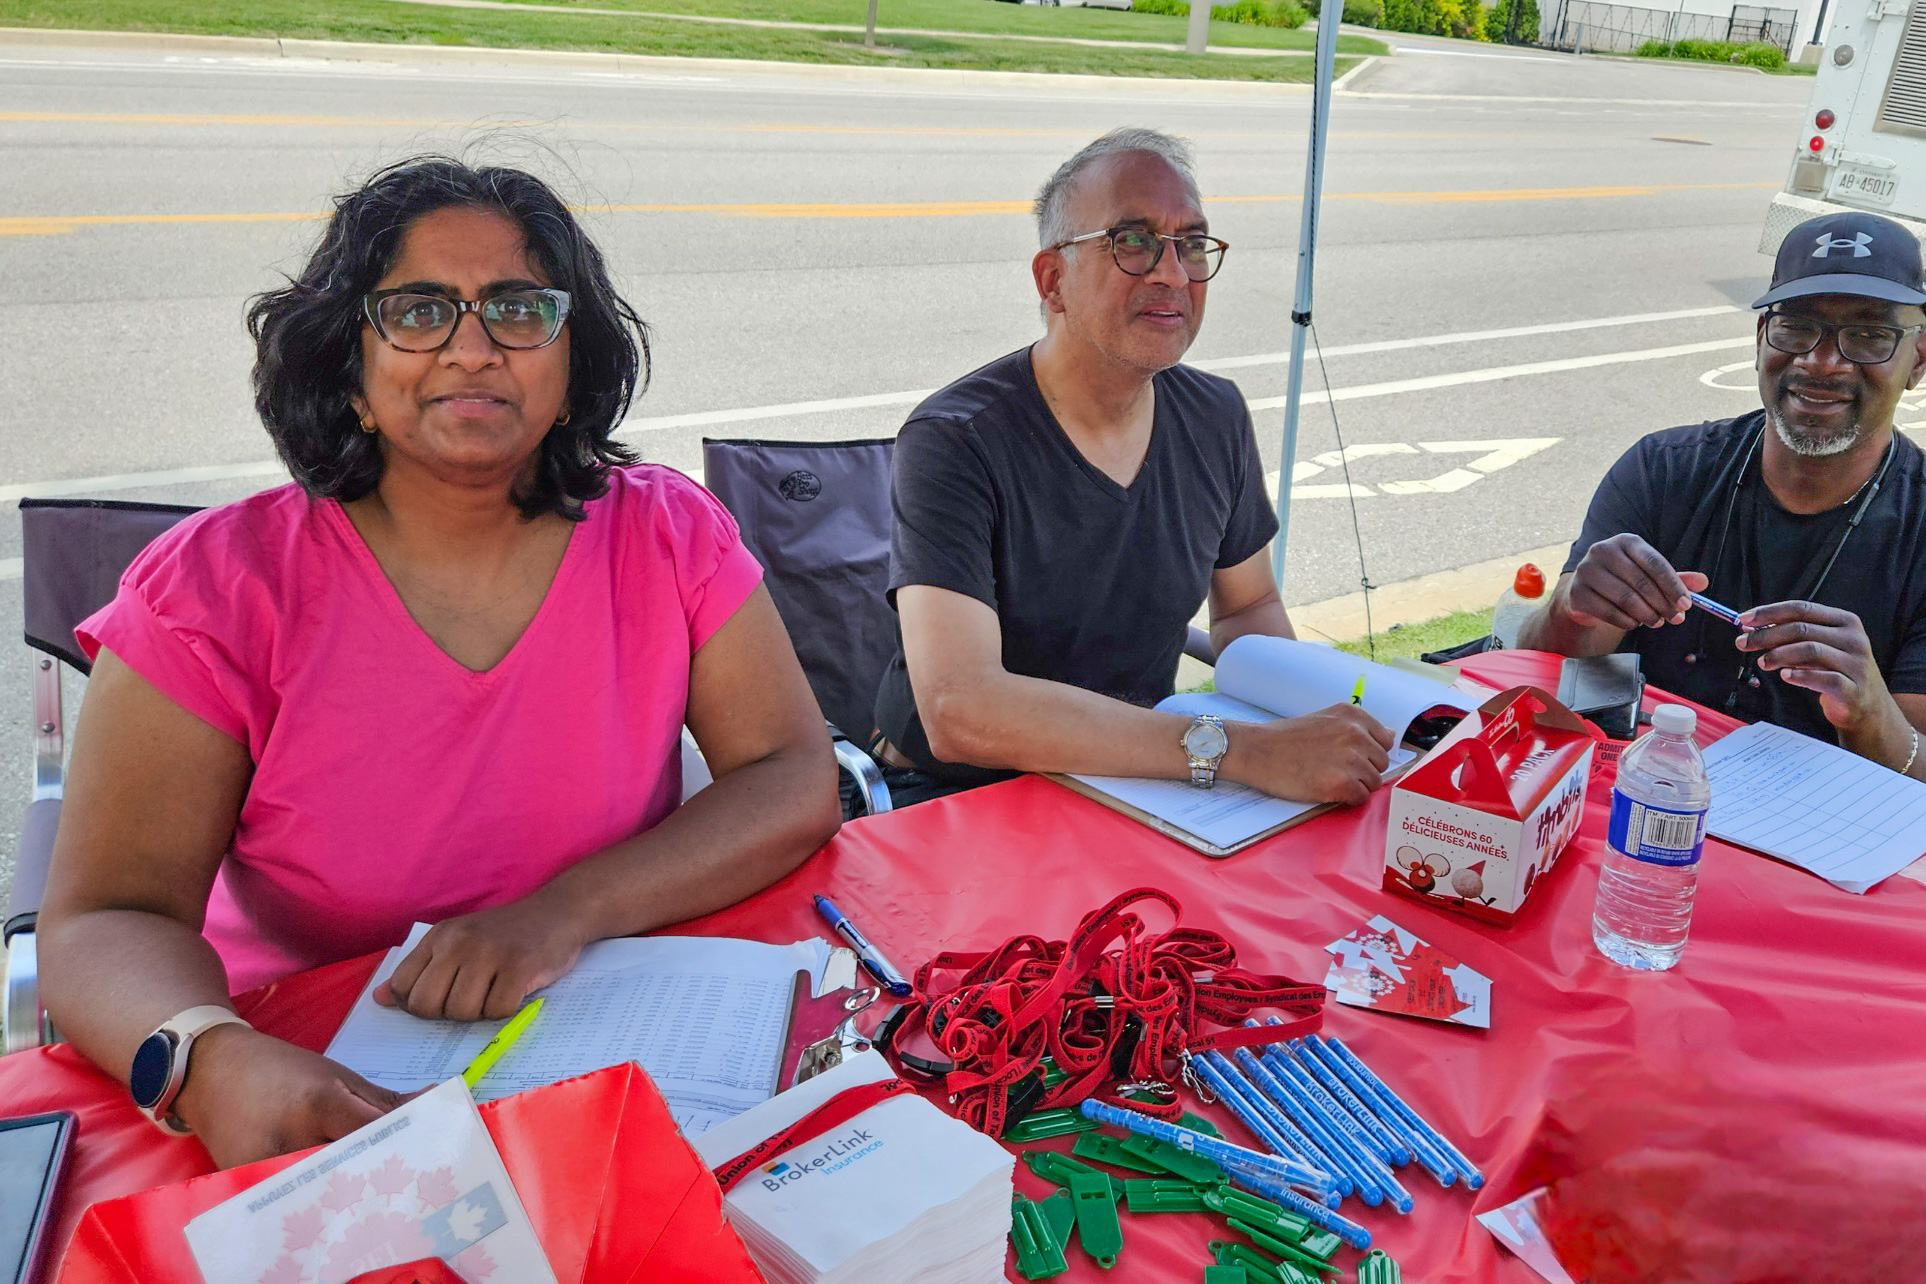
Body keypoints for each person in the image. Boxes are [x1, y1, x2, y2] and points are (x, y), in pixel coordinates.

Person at [37, 157, 842, 1168]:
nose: (472, 347)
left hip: (614, 1029)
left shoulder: (667, 531)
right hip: (293, 1075)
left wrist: (562, 914)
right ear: (350, 367)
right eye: (419, 311)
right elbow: (106, 916)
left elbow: (791, 773)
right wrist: (211, 1059)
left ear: (573, 360)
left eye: (518, 308)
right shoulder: (215, 588)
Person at [869, 128, 1393, 807]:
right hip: (963, 795)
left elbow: (1250, 606)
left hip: (1141, 781)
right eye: (1134, 241)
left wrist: (1308, 722)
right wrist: (1242, 751)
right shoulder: (955, 440)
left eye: (1192, 244)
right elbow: (959, 709)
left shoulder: (1215, 415)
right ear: (1053, 280)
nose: (1173, 273)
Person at [1518, 210, 1926, 778]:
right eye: (1796, 326)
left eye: (1868, 336)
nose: (1821, 361)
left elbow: (1917, 765)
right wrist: (1572, 610)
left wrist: (1868, 711)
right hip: (1637, 787)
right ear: (1761, 339)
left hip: (1815, 819)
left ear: (1918, 360)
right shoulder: (1664, 470)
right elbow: (1541, 667)